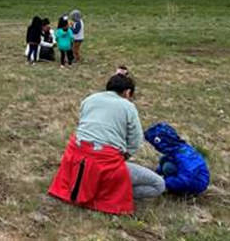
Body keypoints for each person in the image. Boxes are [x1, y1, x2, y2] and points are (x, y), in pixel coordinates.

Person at [48, 67, 165, 215]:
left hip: (75, 158)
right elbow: (136, 140)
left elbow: (83, 125)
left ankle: (89, 189)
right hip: (106, 163)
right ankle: (110, 194)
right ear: (128, 92)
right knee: (158, 185)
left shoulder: (89, 99)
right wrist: (124, 156)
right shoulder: (128, 107)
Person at [144, 122, 209, 195]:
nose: (155, 148)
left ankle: (184, 193)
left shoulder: (182, 157)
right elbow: (166, 160)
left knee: (168, 167)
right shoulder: (178, 148)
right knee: (166, 163)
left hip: (195, 184)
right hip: (196, 179)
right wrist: (156, 173)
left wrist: (163, 181)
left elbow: (185, 180)